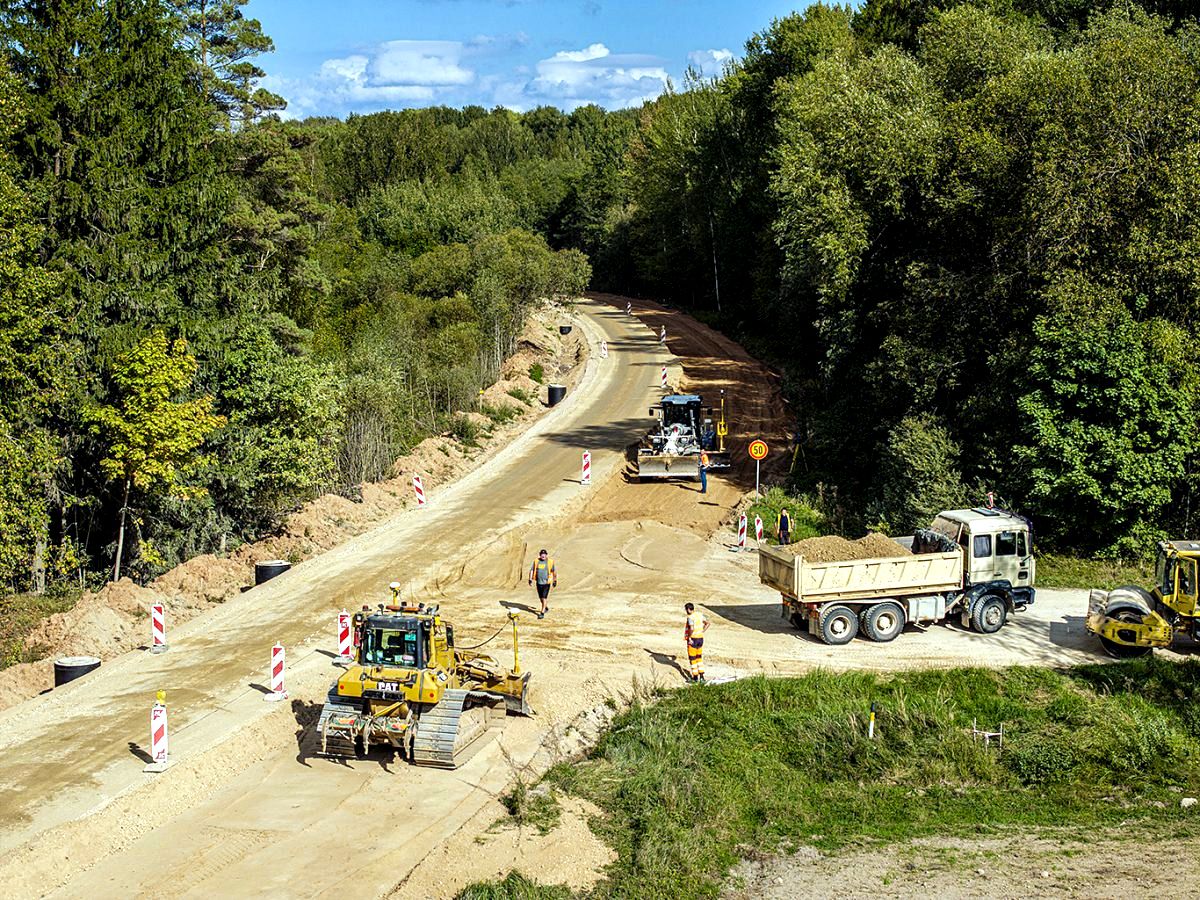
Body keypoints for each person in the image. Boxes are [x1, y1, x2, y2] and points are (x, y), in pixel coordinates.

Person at [683, 602, 709, 683]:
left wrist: (689, 637)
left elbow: (691, 628)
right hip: (700, 638)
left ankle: (695, 678)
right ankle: (702, 677)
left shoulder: (690, 617)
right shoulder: (699, 614)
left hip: (693, 639)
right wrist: (702, 631)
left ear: (688, 609)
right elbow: (708, 623)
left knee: (693, 659)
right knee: (699, 658)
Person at [528, 549, 557, 619]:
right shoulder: (536, 561)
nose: (543, 555)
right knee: (541, 598)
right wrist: (530, 579)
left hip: (546, 583)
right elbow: (532, 570)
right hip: (539, 582)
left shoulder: (550, 562)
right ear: (540, 555)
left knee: (544, 598)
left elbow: (554, 572)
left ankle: (542, 612)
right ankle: (545, 607)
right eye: (541, 554)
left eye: (544, 554)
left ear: (546, 555)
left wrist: (555, 580)